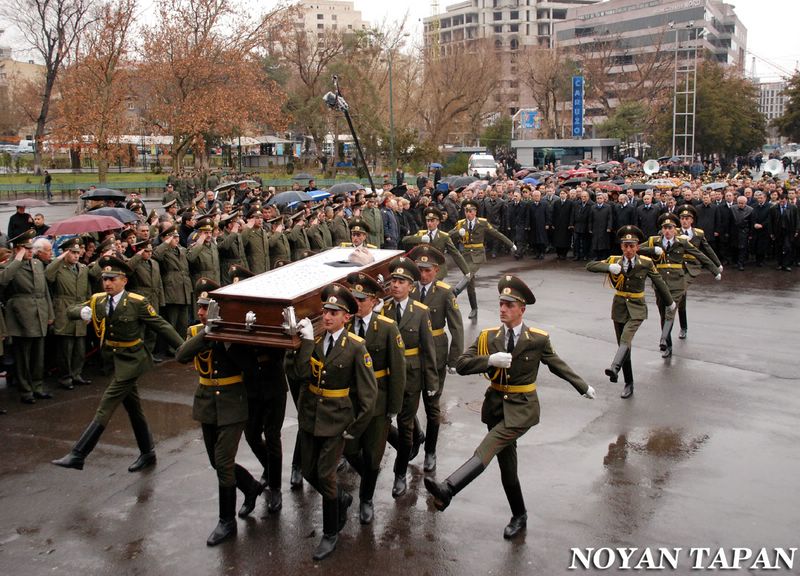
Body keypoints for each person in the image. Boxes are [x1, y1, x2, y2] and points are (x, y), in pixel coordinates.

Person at [424, 274, 595, 539]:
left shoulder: (537, 338)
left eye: (509, 305)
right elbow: (461, 364)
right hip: (496, 407)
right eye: (501, 303)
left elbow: (556, 364)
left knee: (488, 446)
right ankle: (519, 514)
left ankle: (449, 488)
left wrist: (582, 386)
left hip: (523, 409)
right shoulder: (488, 337)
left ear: (522, 309)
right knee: (508, 470)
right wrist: (489, 360)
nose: (502, 309)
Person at [51, 256, 184, 472]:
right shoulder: (99, 300)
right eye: (105, 279)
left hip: (133, 360)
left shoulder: (136, 302)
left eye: (112, 279)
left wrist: (184, 348)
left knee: (107, 403)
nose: (107, 284)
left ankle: (78, 454)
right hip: (114, 359)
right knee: (134, 408)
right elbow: (70, 310)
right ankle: (148, 452)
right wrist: (81, 312)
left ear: (124, 281)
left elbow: (162, 326)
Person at [284, 284, 377, 561]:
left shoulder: (356, 348)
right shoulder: (313, 341)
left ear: (346, 318)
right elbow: (300, 373)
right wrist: (305, 344)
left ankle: (330, 532)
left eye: (334, 312)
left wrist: (354, 429)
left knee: (325, 475)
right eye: (325, 310)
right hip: (311, 416)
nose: (327, 316)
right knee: (311, 472)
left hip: (338, 419)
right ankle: (342, 498)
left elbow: (368, 395)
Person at [175, 278, 264, 546]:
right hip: (206, 403)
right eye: (200, 308)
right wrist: (207, 333)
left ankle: (226, 522)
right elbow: (180, 356)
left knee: (223, 461)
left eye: (208, 308)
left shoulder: (235, 333)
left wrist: (227, 338)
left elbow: (251, 368)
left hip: (232, 403)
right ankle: (250, 487)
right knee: (216, 461)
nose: (202, 313)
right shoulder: (195, 332)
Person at [343, 272, 406, 524]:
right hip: (350, 400)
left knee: (372, 455)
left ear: (372, 300)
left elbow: (398, 370)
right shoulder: (345, 325)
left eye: (361, 299)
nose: (356, 303)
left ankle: (366, 498)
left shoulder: (387, 327)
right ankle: (371, 476)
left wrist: (393, 407)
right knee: (348, 449)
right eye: (353, 298)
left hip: (378, 402)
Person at [587, 226, 674, 398]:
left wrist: (670, 303)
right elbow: (590, 265)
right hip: (619, 306)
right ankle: (629, 382)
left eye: (632, 246)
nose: (628, 250)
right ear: (621, 247)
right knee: (624, 345)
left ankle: (614, 367)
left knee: (626, 338)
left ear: (637, 247)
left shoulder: (645, 263)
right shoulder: (615, 260)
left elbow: (659, 283)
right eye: (625, 246)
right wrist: (608, 268)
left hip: (637, 307)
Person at [380, 257, 438, 498]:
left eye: (401, 281)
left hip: (411, 376)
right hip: (388, 377)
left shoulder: (421, 312)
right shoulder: (383, 311)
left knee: (405, 426)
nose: (395, 285)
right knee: (385, 422)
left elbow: (429, 350)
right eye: (394, 280)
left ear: (411, 287)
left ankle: (400, 473)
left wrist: (432, 383)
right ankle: (415, 438)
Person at [407, 245, 463, 472]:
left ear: (436, 270)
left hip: (436, 355)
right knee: (407, 403)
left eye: (427, 269)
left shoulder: (444, 292)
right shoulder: (408, 290)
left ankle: (430, 451)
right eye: (419, 269)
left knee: (432, 405)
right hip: (411, 355)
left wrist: (453, 359)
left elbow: (457, 327)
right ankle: (415, 436)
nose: (423, 274)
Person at [638, 213, 721, 358]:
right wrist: (652, 250)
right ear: (662, 229)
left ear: (675, 229)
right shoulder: (654, 241)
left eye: (670, 227)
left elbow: (700, 254)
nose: (667, 231)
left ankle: (664, 340)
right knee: (663, 314)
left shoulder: (682, 242)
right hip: (660, 282)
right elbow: (636, 249)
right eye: (665, 228)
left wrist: (715, 270)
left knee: (671, 310)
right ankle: (668, 344)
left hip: (677, 281)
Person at [0, 229, 54, 403]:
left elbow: (45, 291)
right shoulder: (8, 265)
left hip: (39, 312)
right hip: (20, 315)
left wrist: (50, 314)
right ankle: (25, 390)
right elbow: (3, 281)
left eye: (32, 249)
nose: (31, 252)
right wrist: (16, 260)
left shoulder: (37, 264)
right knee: (23, 356)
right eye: (27, 249)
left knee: (38, 355)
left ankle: (37, 386)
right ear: (18, 249)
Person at [448, 199, 515, 320]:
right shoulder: (461, 223)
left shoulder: (482, 223)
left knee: (468, 274)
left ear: (475, 212)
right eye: (466, 211)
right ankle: (474, 308)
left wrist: (510, 244)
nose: (468, 213)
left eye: (470, 211)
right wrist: (457, 232)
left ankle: (455, 292)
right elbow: (448, 236)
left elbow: (496, 234)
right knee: (470, 284)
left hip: (478, 254)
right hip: (465, 255)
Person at [45, 237, 92, 390]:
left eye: (78, 252)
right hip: (63, 308)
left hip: (80, 308)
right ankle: (65, 377)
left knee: (80, 347)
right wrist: (59, 258)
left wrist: (88, 310)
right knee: (66, 348)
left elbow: (88, 291)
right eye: (72, 252)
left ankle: (76, 374)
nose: (76, 255)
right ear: (65, 253)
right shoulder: (58, 268)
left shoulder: (83, 268)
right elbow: (47, 275)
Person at [676, 204, 721, 339]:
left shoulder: (698, 233)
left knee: (681, 291)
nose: (684, 220)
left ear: (692, 220)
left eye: (687, 218)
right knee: (681, 298)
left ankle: (679, 325)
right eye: (682, 218)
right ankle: (683, 327)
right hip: (677, 266)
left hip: (692, 266)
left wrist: (717, 264)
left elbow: (707, 249)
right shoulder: (675, 232)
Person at [401, 207, 470, 281]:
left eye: (432, 221)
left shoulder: (444, 236)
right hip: (423, 266)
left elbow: (455, 253)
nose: (429, 223)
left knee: (433, 286)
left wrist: (466, 271)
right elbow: (405, 240)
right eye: (428, 221)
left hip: (438, 268)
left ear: (437, 222)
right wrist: (420, 238)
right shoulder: (421, 233)